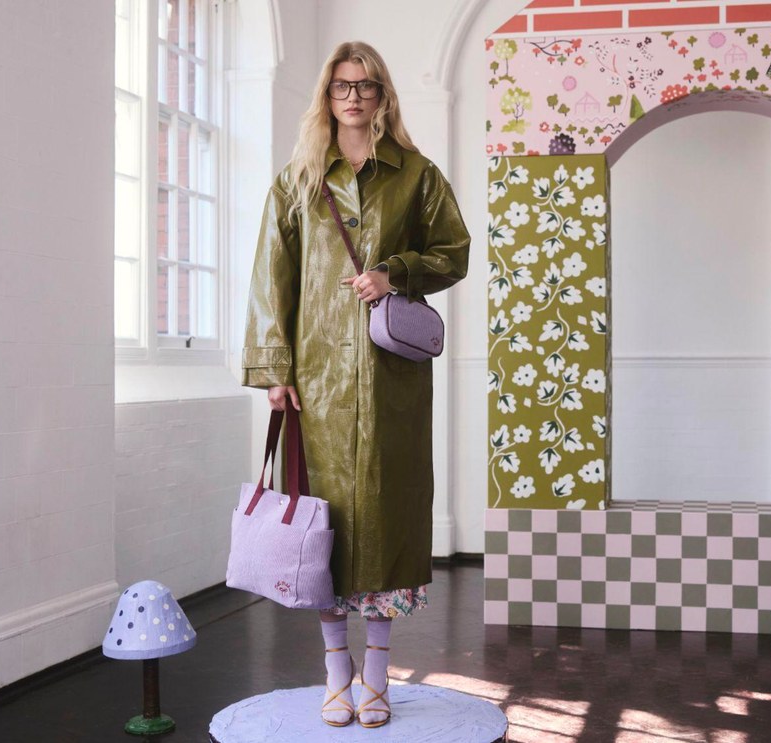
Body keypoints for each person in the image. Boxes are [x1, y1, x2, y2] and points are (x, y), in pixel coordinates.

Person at [241, 40, 470, 728]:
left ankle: (378, 673)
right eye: (343, 85)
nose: (354, 95)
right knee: (325, 527)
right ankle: (335, 671)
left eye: (367, 85)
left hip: (393, 380)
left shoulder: (417, 174)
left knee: (386, 520)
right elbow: (269, 277)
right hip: (316, 381)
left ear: (383, 96)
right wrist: (275, 370)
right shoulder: (298, 181)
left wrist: (394, 271)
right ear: (327, 95)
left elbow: (454, 252)